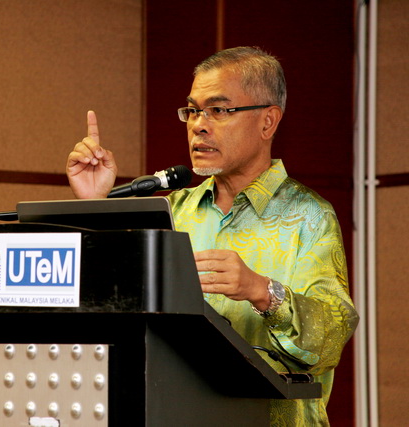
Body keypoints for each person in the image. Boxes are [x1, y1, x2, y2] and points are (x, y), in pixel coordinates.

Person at [66, 46, 359, 426]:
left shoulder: (308, 215)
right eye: (192, 110)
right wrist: (94, 205)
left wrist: (261, 291)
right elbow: (109, 305)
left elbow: (331, 337)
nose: (198, 125)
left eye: (218, 110)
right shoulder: (173, 211)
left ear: (268, 122)